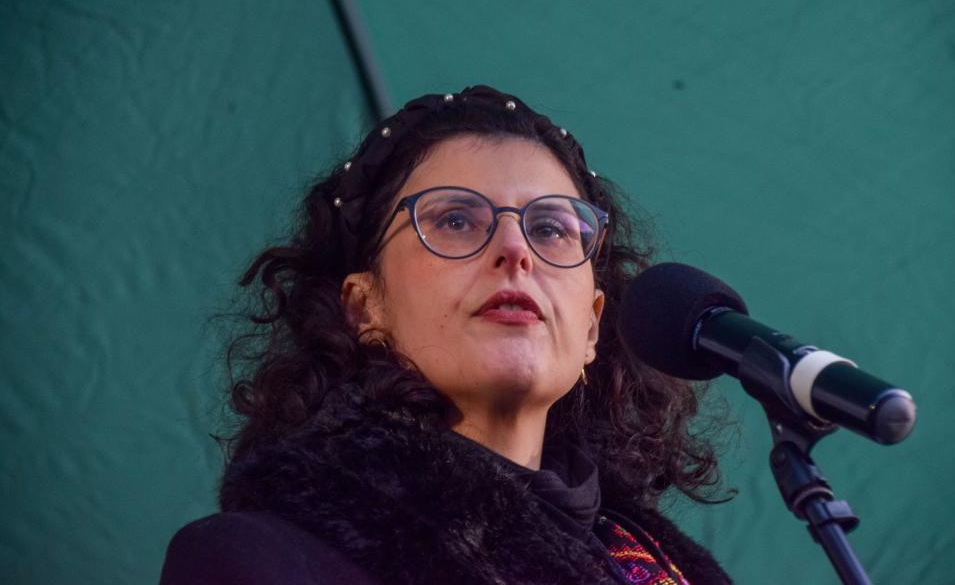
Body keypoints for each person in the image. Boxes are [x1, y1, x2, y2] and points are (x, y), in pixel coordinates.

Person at [160, 85, 732, 584]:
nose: (515, 251)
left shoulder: (665, 569)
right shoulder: (259, 560)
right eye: (455, 220)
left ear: (591, 327)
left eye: (552, 227)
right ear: (363, 307)